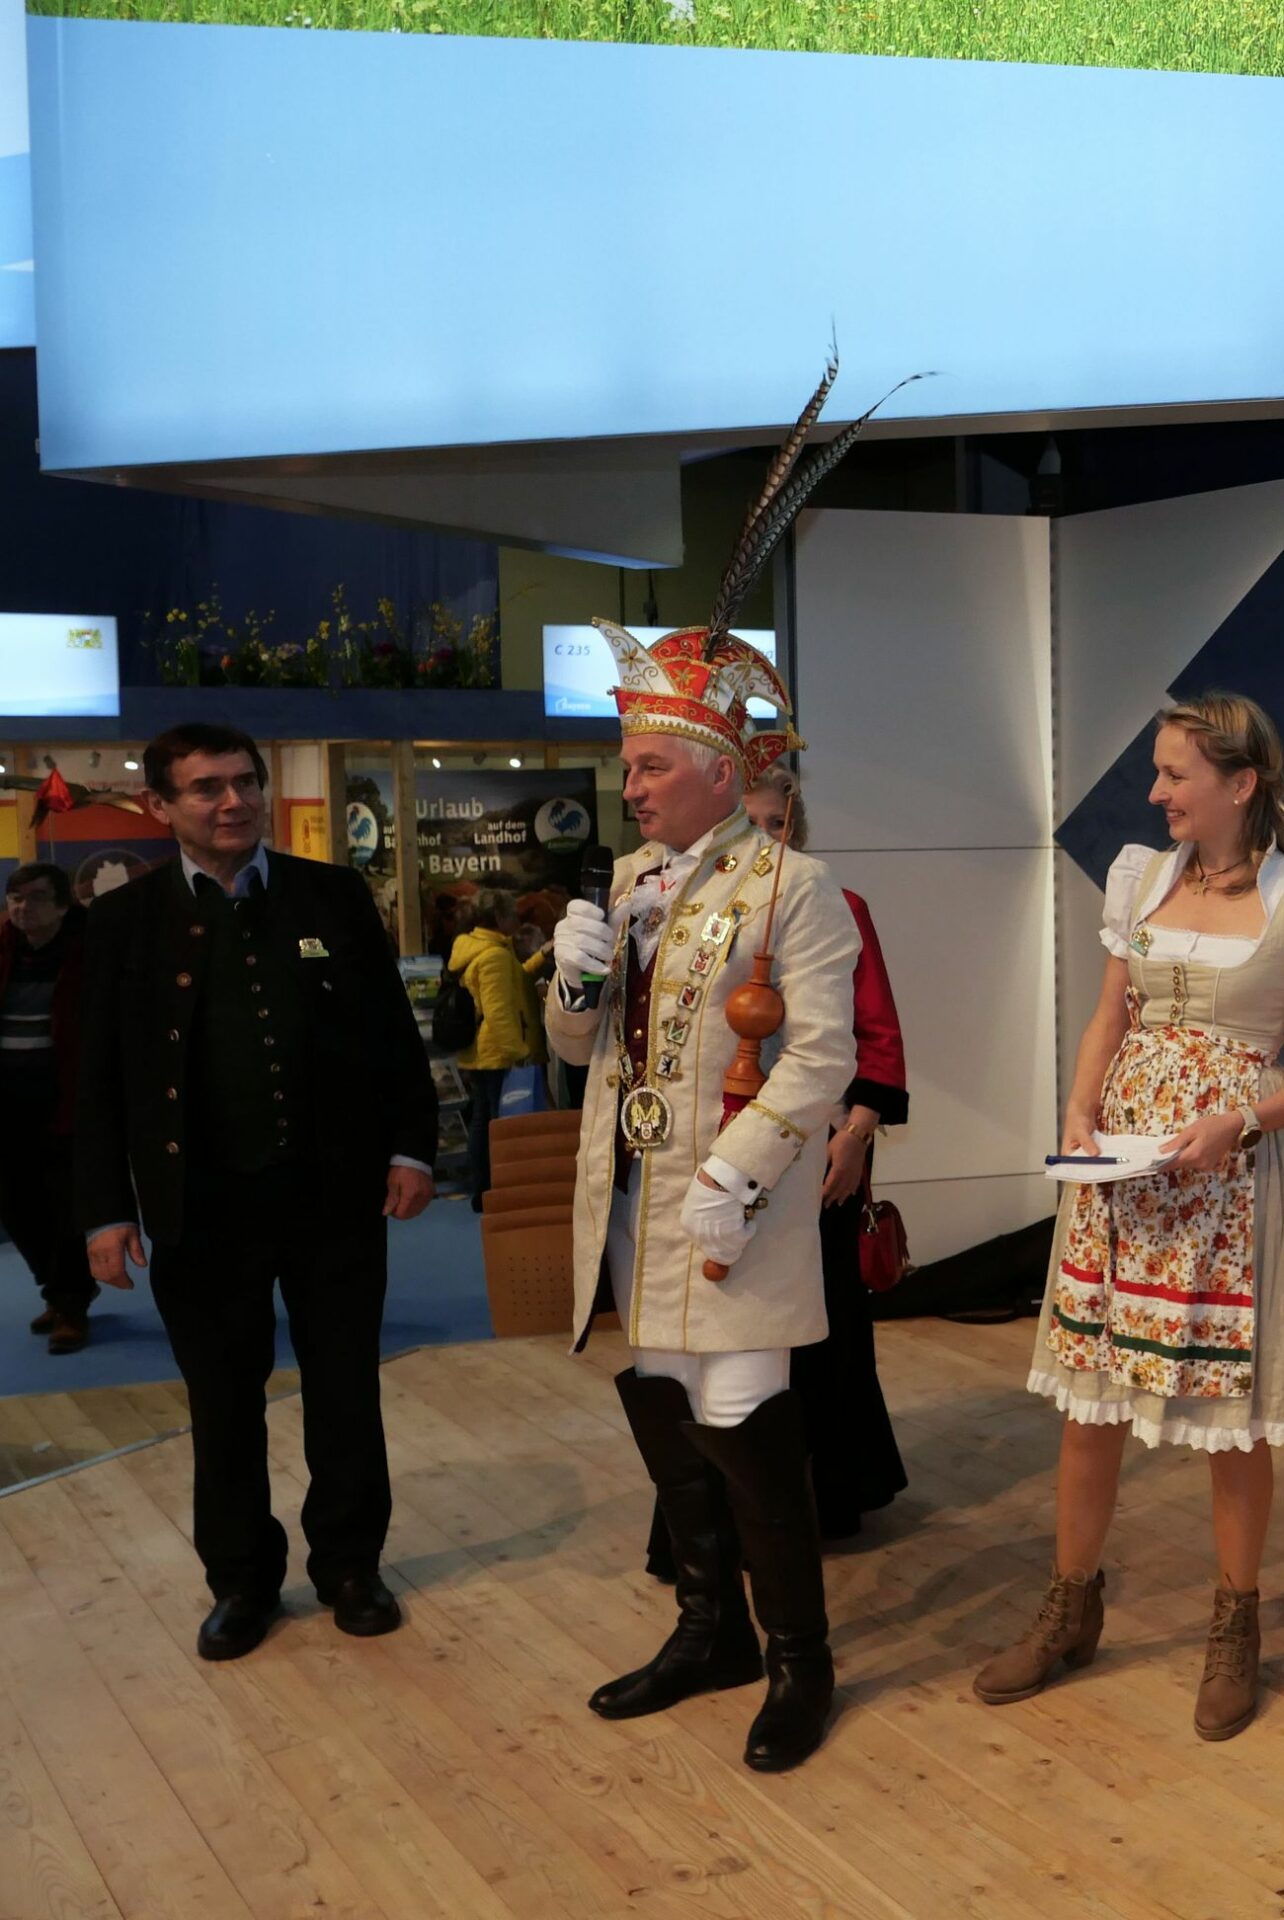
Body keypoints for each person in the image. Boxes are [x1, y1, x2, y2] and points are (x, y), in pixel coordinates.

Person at [976, 693, 1284, 1741]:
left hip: (1229, 1181)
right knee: (1091, 1402)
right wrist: (1079, 1111)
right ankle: (1070, 1605)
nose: (1155, 793)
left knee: (1230, 1418)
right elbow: (1110, 1016)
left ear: (1240, 783)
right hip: (1126, 1177)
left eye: (1175, 774)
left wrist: (1240, 1120)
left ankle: (1236, 1623)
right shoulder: (1142, 876)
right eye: (1157, 772)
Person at [547, 618, 860, 1774]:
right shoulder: (628, 881)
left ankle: (798, 1660)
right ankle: (708, 1629)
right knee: (668, 1401)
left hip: (737, 1205)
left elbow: (821, 1055)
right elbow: (576, 1051)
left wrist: (739, 1169)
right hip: (636, 1195)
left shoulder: (795, 887)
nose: (628, 788)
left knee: (743, 1414)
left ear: (721, 774)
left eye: (649, 767)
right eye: (627, 766)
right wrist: (574, 981)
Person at [76, 722, 436, 1662]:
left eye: (245, 782)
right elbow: (95, 1081)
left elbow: (390, 1037)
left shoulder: (334, 894)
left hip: (332, 1200)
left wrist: (412, 1147)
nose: (232, 802)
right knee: (222, 1405)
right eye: (206, 788)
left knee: (346, 1392)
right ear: (160, 805)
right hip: (200, 1211)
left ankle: (351, 1566)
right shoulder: (121, 923)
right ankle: (242, 1582)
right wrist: (106, 1209)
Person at [745, 764, 912, 1538]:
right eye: (749, 825)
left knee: (829, 1320)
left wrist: (855, 1137)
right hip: (725, 1154)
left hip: (824, 1149)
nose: (764, 840)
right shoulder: (695, 920)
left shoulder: (841, 907)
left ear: (798, 829)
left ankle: (832, 1492)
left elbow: (878, 1034)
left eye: (775, 825)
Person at [0, 863, 96, 1354]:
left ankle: (70, 1304)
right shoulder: (3, 950)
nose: (23, 907)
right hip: (7, 1102)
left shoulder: (88, 954)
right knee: (16, 1205)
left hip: (64, 1101)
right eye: (15, 898)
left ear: (62, 906)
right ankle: (58, 1290)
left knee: (63, 1208)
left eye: (36, 897)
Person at [447, 891, 544, 1210]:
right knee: (497, 1125)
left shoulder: (478, 948)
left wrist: (541, 957)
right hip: (497, 1053)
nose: (517, 920)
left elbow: (514, 982)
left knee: (483, 1121)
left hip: (482, 1051)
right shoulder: (495, 956)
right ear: (500, 918)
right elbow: (499, 1012)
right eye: (512, 915)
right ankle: (492, 1190)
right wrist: (520, 1051)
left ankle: (485, 1190)